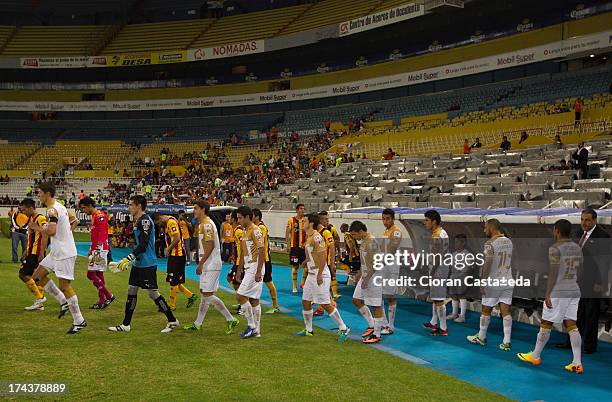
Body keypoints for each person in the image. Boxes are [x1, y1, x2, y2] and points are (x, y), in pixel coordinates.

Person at [517, 219, 584, 374]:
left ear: (557, 231)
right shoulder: (577, 247)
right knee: (572, 325)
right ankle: (577, 362)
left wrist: (547, 293)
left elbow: (553, 272)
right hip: (574, 289)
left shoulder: (555, 248)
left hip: (559, 291)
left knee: (546, 322)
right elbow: (581, 271)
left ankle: (535, 355)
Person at [108, 195, 179, 333]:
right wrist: (132, 259)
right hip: (139, 263)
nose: (129, 207)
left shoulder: (145, 220)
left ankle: (172, 320)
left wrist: (128, 258)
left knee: (153, 294)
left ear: (139, 205)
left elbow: (144, 245)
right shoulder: (139, 220)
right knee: (131, 290)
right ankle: (126, 324)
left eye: (131, 205)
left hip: (147, 263)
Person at [30, 182, 86, 334]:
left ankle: (79, 320)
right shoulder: (59, 206)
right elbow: (72, 221)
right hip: (56, 251)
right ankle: (63, 302)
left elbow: (52, 231)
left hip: (64, 253)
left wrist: (37, 228)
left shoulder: (52, 210)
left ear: (48, 193)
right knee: (37, 277)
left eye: (40, 192)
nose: (38, 195)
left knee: (65, 286)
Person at [557, 208, 609, 354]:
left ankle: (590, 347)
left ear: (594, 220)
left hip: (593, 282)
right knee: (574, 313)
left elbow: (604, 263)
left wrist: (601, 283)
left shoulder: (603, 236)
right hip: (576, 281)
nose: (584, 223)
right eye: (582, 219)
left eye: (587, 220)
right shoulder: (578, 234)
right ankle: (571, 342)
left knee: (591, 315)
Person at [184, 200, 239, 334]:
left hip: (211, 264)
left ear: (203, 209)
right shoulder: (204, 224)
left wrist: (201, 264)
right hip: (210, 263)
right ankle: (198, 323)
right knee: (205, 295)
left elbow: (210, 246)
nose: (194, 211)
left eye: (196, 208)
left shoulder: (207, 225)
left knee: (207, 295)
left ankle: (230, 318)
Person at [295, 213, 350, 342]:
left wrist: (319, 274)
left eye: (305, 221)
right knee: (306, 301)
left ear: (311, 223)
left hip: (320, 274)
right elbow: (312, 255)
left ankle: (343, 328)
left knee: (325, 303)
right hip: (312, 274)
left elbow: (322, 255)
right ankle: (309, 330)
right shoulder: (309, 237)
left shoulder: (316, 237)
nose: (302, 223)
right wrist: (305, 264)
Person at [467, 219, 514, 351]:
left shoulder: (489, 243)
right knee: (505, 311)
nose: (484, 230)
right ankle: (507, 341)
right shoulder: (509, 241)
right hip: (508, 280)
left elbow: (487, 264)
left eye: (485, 227)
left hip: (494, 281)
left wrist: (483, 281)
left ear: (492, 227)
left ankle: (481, 337)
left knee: (486, 310)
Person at [153, 213, 198, 311]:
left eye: (159, 222)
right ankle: (190, 296)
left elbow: (177, 238)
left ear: (160, 217)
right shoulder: (168, 222)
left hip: (178, 255)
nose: (159, 224)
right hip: (175, 255)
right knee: (174, 280)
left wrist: (168, 248)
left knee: (173, 281)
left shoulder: (171, 222)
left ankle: (171, 305)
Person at [350, 220, 384, 344]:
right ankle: (371, 324)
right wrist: (360, 272)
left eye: (354, 234)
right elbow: (365, 260)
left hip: (373, 277)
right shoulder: (363, 241)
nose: (354, 237)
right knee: (356, 300)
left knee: (376, 305)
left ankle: (377, 334)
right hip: (365, 276)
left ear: (360, 232)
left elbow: (377, 263)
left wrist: (367, 278)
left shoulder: (372, 242)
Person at [235, 206, 266, 339]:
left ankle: (251, 325)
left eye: (240, 218)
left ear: (248, 217)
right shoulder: (244, 231)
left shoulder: (256, 230)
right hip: (249, 267)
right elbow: (242, 252)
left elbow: (261, 250)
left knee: (240, 295)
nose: (239, 220)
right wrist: (239, 269)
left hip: (255, 267)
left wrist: (258, 271)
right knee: (254, 299)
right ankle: (257, 331)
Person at [79, 197, 114, 310]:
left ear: (89, 205)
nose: (84, 211)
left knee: (90, 274)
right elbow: (95, 235)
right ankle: (101, 301)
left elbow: (102, 235)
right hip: (98, 248)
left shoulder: (100, 216)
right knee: (99, 275)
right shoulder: (95, 216)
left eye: (84, 208)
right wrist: (91, 248)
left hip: (100, 248)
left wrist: (96, 250)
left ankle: (109, 295)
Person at [422, 210, 450, 336]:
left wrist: (432, 272)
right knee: (435, 298)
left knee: (439, 299)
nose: (425, 223)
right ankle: (434, 322)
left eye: (427, 220)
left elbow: (437, 257)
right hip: (440, 268)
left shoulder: (437, 235)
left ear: (434, 221)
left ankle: (443, 328)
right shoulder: (440, 232)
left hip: (438, 269)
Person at [18, 198, 48, 311]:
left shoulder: (40, 218)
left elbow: (46, 233)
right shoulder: (31, 219)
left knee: (23, 274)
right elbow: (32, 237)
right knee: (38, 277)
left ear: (31, 208)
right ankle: (40, 303)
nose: (23, 212)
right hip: (31, 252)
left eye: (24, 210)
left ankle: (40, 298)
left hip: (36, 253)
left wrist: (41, 253)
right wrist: (26, 251)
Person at [253, 208, 280, 314]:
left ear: (257, 217)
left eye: (253, 215)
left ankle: (275, 305)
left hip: (265, 259)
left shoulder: (261, 228)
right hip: (259, 259)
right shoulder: (257, 227)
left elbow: (261, 244)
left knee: (268, 281)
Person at [381, 208, 402, 335]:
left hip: (392, 267)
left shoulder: (396, 232)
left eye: (388, 218)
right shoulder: (386, 231)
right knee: (381, 294)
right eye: (383, 218)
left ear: (393, 219)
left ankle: (391, 325)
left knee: (390, 296)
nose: (385, 221)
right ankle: (384, 323)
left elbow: (392, 250)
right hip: (385, 266)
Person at [447, 234, 473, 323]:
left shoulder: (467, 254)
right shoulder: (453, 254)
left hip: (462, 278)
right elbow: (451, 267)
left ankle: (462, 316)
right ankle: (454, 313)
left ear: (463, 243)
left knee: (462, 296)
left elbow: (467, 268)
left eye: (457, 242)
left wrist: (460, 275)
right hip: (453, 277)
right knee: (453, 296)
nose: (455, 244)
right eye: (455, 242)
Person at [286, 204, 306, 293]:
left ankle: (302, 283)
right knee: (295, 266)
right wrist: (288, 245)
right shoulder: (291, 220)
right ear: (297, 210)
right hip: (294, 247)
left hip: (304, 247)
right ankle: (294, 287)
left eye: (303, 209)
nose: (303, 210)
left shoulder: (306, 221)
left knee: (306, 267)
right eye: (301, 209)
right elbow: (287, 233)